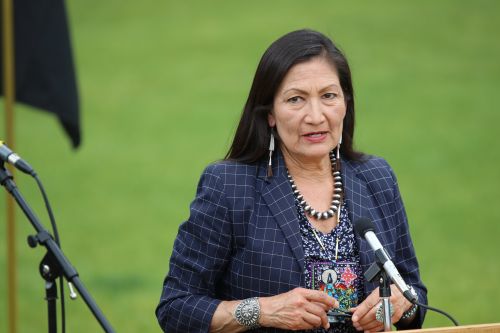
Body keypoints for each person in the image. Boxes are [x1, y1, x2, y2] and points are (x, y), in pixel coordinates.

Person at [156, 29, 427, 332]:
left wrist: (401, 305)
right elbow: (175, 308)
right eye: (296, 99)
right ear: (270, 112)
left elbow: (412, 290)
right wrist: (262, 310)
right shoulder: (229, 185)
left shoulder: (376, 177)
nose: (315, 115)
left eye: (328, 96)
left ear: (346, 102)